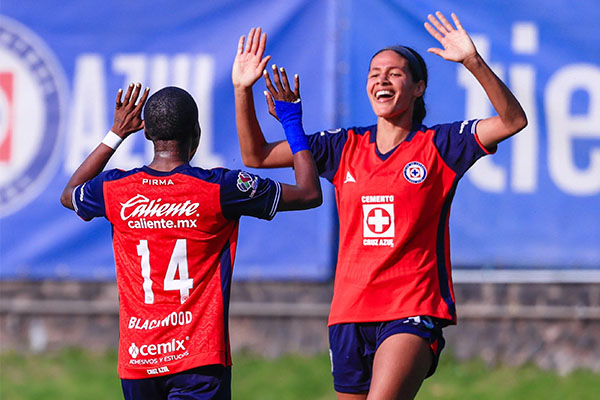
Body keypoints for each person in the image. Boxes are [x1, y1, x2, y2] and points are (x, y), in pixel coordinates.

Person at [232, 13, 527, 400]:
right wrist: (242, 89)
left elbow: (512, 121)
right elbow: (256, 155)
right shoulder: (343, 146)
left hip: (411, 308)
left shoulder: (441, 145)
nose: (382, 80)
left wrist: (472, 61)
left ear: (419, 87)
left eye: (394, 73)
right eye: (374, 74)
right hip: (349, 313)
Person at [60, 79, 321, 398]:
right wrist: (291, 121)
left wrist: (116, 133)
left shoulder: (115, 189)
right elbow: (309, 193)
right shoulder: (221, 188)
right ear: (196, 134)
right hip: (198, 361)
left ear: (147, 133)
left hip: (138, 361)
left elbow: (69, 194)